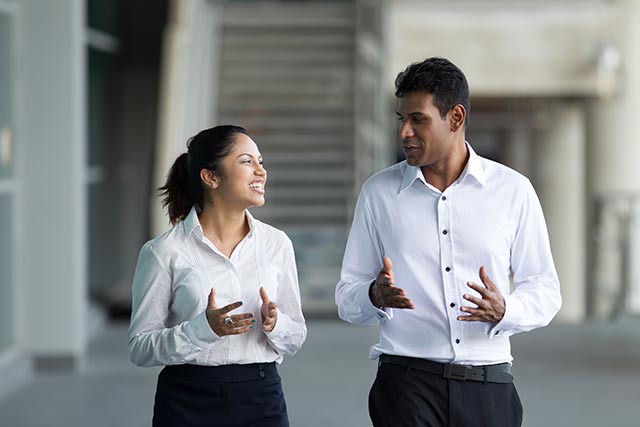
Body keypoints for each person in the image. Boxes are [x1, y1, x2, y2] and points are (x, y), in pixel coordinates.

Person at [335, 57, 562, 427]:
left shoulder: (513, 192)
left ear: (455, 118)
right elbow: (346, 296)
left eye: (417, 120)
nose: (404, 132)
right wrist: (374, 296)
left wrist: (506, 309)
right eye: (400, 119)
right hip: (406, 388)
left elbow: (546, 290)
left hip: (489, 387)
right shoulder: (378, 193)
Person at [128, 125, 306, 427]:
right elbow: (140, 348)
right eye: (247, 161)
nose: (260, 172)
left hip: (261, 397)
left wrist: (275, 324)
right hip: (187, 400)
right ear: (210, 177)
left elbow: (296, 335)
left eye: (260, 162)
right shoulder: (164, 252)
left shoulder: (277, 244)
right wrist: (202, 329)